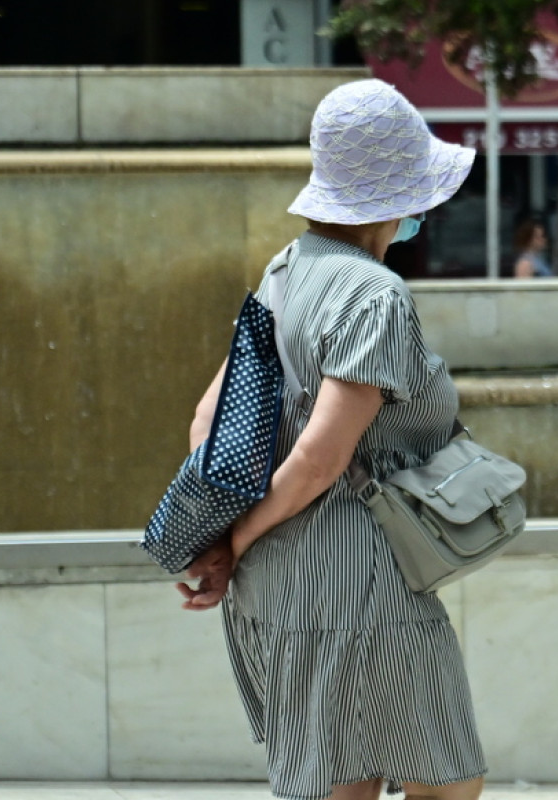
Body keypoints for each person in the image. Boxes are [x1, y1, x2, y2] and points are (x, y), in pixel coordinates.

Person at [175, 79, 485, 800]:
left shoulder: (284, 273)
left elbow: (206, 423)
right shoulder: (376, 294)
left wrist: (226, 543)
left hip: (275, 591)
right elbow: (320, 458)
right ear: (402, 196)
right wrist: (237, 542)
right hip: (363, 586)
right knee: (448, 784)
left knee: (340, 788)